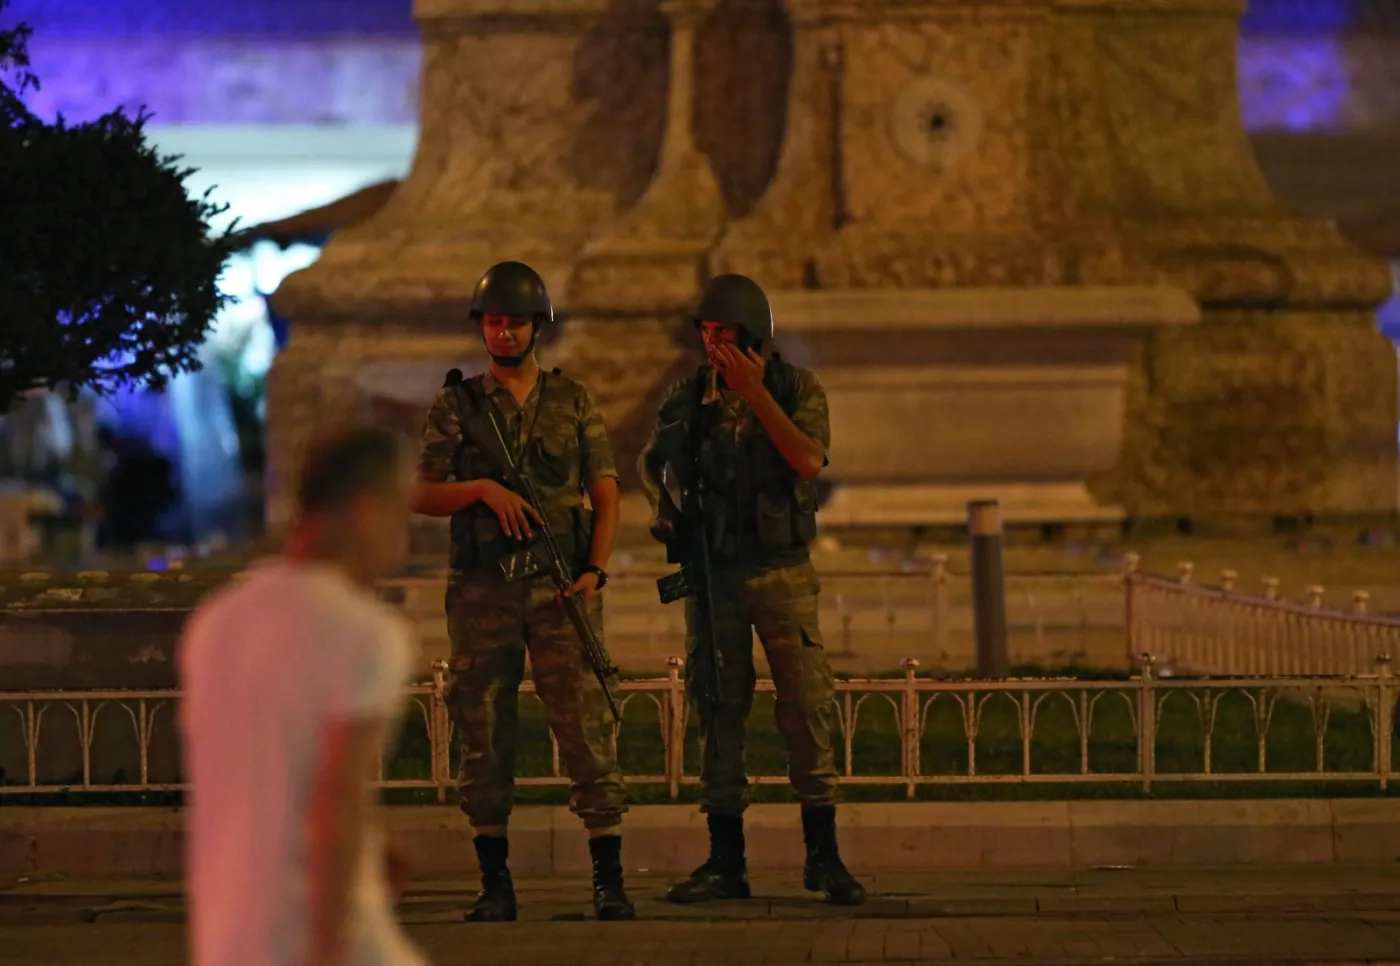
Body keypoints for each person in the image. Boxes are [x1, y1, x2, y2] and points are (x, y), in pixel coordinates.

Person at [412, 260, 632, 922]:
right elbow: (420, 492)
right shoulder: (459, 405)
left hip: (562, 590)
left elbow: (605, 491)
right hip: (483, 593)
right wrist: (482, 489)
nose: (503, 333)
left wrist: (594, 570)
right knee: (484, 732)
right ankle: (495, 884)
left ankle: (608, 879)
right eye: (494, 322)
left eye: (515, 322)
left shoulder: (573, 402)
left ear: (539, 327)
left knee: (586, 733)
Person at [638, 273, 866, 906]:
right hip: (714, 575)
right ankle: (725, 860)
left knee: (806, 705)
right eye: (707, 336)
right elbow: (651, 459)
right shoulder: (689, 400)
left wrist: (756, 395)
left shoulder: (794, 389)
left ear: (754, 339)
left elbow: (808, 460)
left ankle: (823, 854)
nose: (714, 348)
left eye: (725, 336)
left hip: (781, 572)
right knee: (717, 707)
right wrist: (666, 506)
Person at [179, 425, 427, 966]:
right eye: (400, 515)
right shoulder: (366, 634)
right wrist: (327, 950)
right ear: (366, 512)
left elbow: (251, 767)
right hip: (322, 936)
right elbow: (336, 799)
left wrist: (374, 846)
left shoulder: (217, 621)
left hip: (228, 937)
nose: (401, 543)